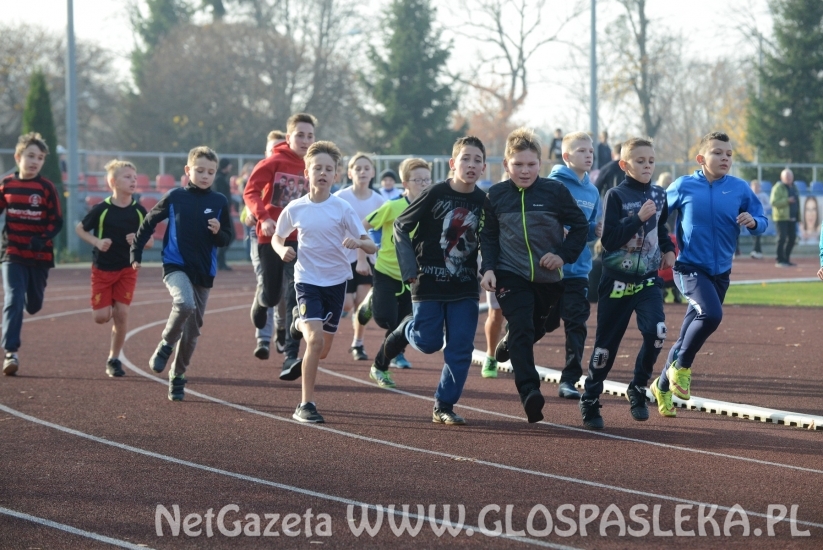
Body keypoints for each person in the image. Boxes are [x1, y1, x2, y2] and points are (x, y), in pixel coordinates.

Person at [372, 136, 488, 425]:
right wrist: (409, 267)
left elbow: (490, 238)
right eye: (465, 159)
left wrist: (489, 268)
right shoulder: (435, 193)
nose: (471, 165)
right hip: (427, 282)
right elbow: (400, 226)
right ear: (453, 163)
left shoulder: (483, 201)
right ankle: (405, 328)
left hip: (464, 286)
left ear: (484, 167)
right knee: (427, 343)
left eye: (477, 160)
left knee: (461, 348)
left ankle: (444, 405)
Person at [652, 132, 767, 418]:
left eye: (729, 154)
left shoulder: (739, 189)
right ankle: (681, 368)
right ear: (702, 158)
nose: (725, 158)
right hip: (689, 267)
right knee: (712, 316)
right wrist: (664, 246)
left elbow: (763, 220)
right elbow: (656, 216)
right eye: (718, 153)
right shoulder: (684, 186)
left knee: (687, 336)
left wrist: (754, 222)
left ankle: (662, 385)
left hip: (720, 273)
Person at [481, 128, 588, 423]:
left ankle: (510, 341)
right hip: (509, 274)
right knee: (522, 326)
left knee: (545, 324)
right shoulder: (496, 195)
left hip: (549, 278)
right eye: (518, 165)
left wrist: (562, 255)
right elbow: (488, 236)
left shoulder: (554, 192)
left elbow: (580, 227)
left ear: (539, 164)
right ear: (506, 165)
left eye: (530, 165)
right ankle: (529, 391)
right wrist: (488, 268)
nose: (524, 171)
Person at [273, 141, 376, 423]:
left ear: (336, 175)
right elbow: (277, 236)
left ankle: (296, 323)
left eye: (328, 169)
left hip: (336, 283)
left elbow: (371, 246)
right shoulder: (296, 207)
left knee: (324, 351)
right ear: (307, 172)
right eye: (317, 167)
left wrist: (358, 241)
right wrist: (282, 250)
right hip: (307, 280)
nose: (322, 172)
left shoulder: (342, 208)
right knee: (315, 341)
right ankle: (305, 404)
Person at [579, 137, 676, 430]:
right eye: (639, 161)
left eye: (651, 161)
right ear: (624, 164)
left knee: (657, 332)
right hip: (616, 282)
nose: (646, 166)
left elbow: (661, 228)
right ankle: (591, 397)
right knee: (605, 347)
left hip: (647, 281)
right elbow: (607, 240)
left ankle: (638, 387)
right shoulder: (616, 196)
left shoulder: (660, 194)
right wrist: (637, 218)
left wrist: (668, 249)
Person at [131, 146, 233, 401]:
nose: (205, 175)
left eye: (210, 172)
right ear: (188, 170)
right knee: (183, 302)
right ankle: (166, 344)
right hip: (175, 265)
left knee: (193, 331)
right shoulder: (175, 197)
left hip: (204, 272)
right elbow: (149, 221)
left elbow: (226, 239)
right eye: (200, 170)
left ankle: (177, 376)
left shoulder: (219, 201)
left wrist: (218, 232)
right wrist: (136, 251)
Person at [243, 113, 316, 380]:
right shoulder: (274, 161)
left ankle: (290, 355)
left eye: (310, 136)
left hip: (302, 238)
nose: (306, 141)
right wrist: (264, 217)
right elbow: (250, 191)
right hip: (271, 237)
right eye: (300, 135)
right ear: (289, 137)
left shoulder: (314, 164)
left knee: (296, 292)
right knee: (273, 296)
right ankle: (262, 301)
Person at [75, 160, 153, 377]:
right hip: (103, 269)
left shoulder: (139, 211)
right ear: (112, 181)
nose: (133, 181)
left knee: (122, 313)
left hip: (128, 269)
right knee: (101, 317)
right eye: (127, 177)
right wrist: (96, 242)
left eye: (135, 178)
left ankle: (114, 359)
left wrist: (138, 240)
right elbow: (80, 229)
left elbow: (150, 242)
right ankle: (106, 305)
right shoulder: (101, 209)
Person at [361, 158, 432, 385]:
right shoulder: (392, 207)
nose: (423, 183)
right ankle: (372, 303)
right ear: (405, 183)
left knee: (405, 327)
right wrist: (364, 253)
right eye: (418, 180)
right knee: (386, 320)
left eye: (427, 179)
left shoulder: (431, 210)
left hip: (414, 278)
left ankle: (381, 367)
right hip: (386, 272)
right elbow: (363, 224)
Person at [0, 132, 63, 376]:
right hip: (12, 252)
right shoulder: (7, 185)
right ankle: (10, 352)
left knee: (33, 305)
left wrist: (42, 238)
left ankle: (30, 302)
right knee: (13, 297)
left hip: (39, 256)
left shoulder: (46, 188)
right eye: (30, 156)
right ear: (18, 157)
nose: (35, 161)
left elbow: (57, 221)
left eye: (40, 157)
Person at [547, 131, 602, 400]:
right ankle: (513, 338)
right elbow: (541, 220)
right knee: (544, 323)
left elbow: (590, 230)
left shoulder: (592, 191)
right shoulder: (553, 185)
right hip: (548, 269)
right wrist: (559, 229)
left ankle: (569, 379)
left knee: (576, 323)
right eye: (581, 151)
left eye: (590, 150)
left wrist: (596, 229)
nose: (589, 154)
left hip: (578, 270)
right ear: (567, 156)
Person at [334, 153, 385, 361]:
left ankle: (358, 343)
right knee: (347, 304)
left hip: (368, 258)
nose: (362, 172)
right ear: (350, 172)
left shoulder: (379, 200)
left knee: (362, 305)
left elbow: (379, 231)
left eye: (366, 168)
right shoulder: (340, 198)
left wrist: (368, 255)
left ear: (372, 172)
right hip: (343, 258)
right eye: (358, 168)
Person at [770, 168, 799, 267]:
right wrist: (787, 200)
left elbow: (798, 203)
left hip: (792, 218)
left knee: (792, 239)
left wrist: (799, 217)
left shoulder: (794, 187)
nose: (789, 178)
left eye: (790, 176)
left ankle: (786, 259)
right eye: (786, 176)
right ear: (782, 178)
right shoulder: (777, 187)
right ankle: (779, 260)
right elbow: (774, 202)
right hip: (781, 217)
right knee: (781, 238)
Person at [212, 158, 233, 271]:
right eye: (229, 165)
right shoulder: (219, 179)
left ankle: (220, 260)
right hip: (221, 212)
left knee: (228, 235)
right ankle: (220, 259)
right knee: (230, 235)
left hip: (223, 211)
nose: (231, 168)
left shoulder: (221, 178)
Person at [749, 179, 769, 258]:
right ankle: (758, 251)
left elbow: (769, 205)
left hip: (761, 217)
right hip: (751, 217)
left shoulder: (763, 195)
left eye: (757, 186)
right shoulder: (749, 195)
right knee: (755, 235)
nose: (756, 188)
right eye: (754, 186)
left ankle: (755, 251)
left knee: (758, 234)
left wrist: (761, 208)